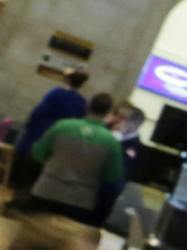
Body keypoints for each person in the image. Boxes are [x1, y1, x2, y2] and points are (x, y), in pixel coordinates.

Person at [27, 93, 126, 226]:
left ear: (88, 106)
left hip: (47, 189)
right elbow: (111, 176)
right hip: (80, 200)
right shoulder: (111, 142)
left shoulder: (62, 126)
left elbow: (38, 153)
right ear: (108, 113)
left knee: (32, 233)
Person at [10, 68, 88, 193]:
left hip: (39, 133)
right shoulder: (82, 102)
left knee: (23, 163)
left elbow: (40, 111)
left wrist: (29, 125)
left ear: (67, 80)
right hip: (59, 141)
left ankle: (14, 185)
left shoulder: (55, 93)